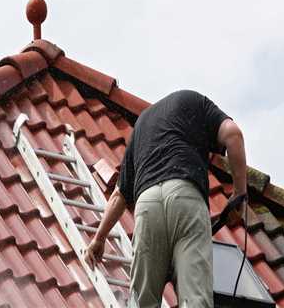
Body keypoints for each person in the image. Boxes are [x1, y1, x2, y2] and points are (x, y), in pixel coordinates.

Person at [84, 90, 247, 308]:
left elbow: (120, 194)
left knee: (143, 301)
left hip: (147, 204)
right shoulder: (198, 103)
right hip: (185, 196)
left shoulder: (141, 124)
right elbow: (233, 135)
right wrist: (239, 194)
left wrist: (99, 238)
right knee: (195, 298)